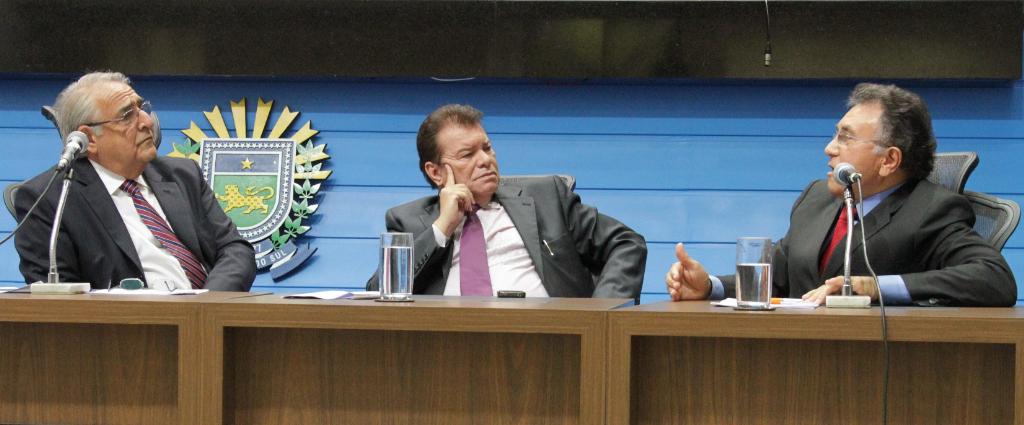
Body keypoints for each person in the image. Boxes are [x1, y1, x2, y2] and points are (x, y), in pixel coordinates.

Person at [665, 83, 1016, 307]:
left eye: (845, 138)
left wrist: (874, 287)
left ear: (889, 160)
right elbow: (780, 277)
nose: (829, 148)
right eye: (835, 135)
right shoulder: (817, 197)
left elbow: (994, 278)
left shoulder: (931, 209)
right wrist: (709, 286)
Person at [367, 104, 647, 299]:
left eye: (487, 148)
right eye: (467, 155)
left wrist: (601, 314)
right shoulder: (409, 220)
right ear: (436, 172)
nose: (485, 160)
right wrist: (443, 227)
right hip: (448, 349)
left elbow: (626, 242)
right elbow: (380, 291)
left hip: (548, 339)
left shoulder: (546, 198)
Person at [15, 72, 256, 291]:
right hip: (131, 322)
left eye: (141, 108)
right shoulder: (51, 200)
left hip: (208, 314)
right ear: (90, 138)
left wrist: (206, 305)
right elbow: (59, 298)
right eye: (127, 116)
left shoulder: (182, 175)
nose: (147, 122)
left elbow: (235, 250)